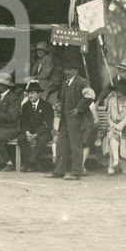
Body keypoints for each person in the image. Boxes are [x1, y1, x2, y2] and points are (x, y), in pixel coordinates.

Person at [49, 53, 90, 181]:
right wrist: (59, 105)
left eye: (70, 69)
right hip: (65, 119)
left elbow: (89, 96)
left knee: (75, 145)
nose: (67, 71)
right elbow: (64, 99)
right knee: (61, 144)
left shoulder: (82, 82)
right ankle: (59, 171)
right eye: (66, 69)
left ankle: (76, 172)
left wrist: (79, 109)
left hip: (77, 120)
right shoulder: (64, 84)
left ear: (76, 70)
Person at [18, 80, 54, 173]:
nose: (30, 96)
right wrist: (27, 132)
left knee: (41, 140)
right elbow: (24, 122)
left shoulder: (47, 106)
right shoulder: (26, 106)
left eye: (32, 93)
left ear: (39, 94)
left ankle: (29, 163)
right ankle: (35, 164)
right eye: (28, 93)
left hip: (44, 132)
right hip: (30, 132)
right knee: (21, 139)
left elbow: (48, 124)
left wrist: (37, 134)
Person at [102, 78, 126, 176]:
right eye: (115, 89)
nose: (116, 91)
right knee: (112, 134)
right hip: (113, 127)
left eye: (119, 89)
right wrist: (113, 126)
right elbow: (108, 116)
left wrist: (117, 127)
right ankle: (116, 160)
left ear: (125, 90)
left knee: (113, 134)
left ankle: (111, 166)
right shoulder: (112, 100)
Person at [29, 41, 61, 107]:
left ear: (45, 51)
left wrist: (34, 77)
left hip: (50, 82)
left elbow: (46, 75)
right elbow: (34, 72)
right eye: (38, 50)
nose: (39, 52)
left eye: (41, 50)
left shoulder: (48, 59)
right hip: (43, 81)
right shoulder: (40, 60)